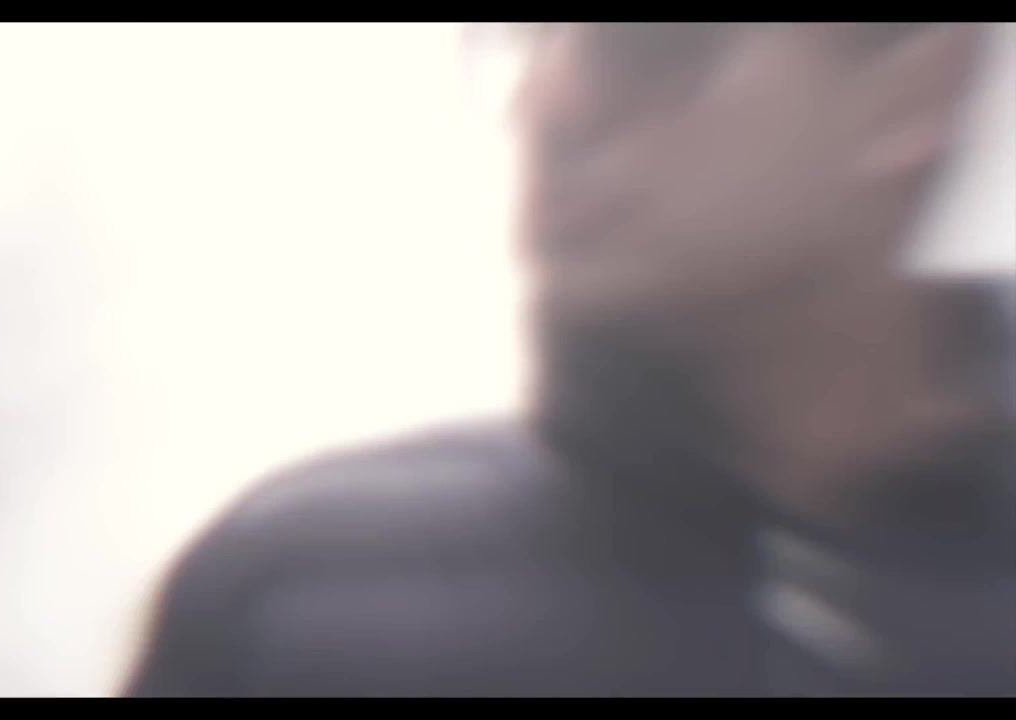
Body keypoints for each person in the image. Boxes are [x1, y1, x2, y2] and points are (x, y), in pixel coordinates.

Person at [124, 23, 1015, 696]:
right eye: (528, 35)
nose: (548, 101)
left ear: (914, 92)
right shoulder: (305, 605)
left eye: (650, 43)